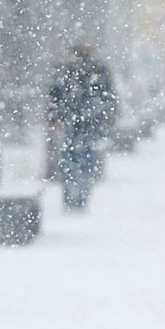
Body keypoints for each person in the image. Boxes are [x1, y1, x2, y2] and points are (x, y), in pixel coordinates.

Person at [47, 43, 118, 211]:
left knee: (75, 158)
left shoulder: (70, 70)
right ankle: (76, 196)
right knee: (79, 159)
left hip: (80, 122)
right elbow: (108, 97)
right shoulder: (93, 70)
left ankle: (75, 196)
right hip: (83, 122)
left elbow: (55, 96)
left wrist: (54, 117)